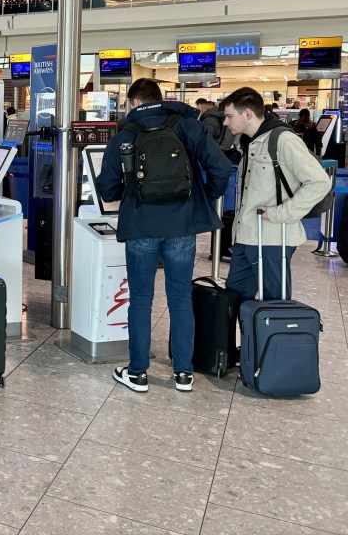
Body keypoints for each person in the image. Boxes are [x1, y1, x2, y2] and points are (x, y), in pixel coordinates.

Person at [96, 79, 232, 394]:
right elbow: (221, 168)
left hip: (142, 224)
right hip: (182, 224)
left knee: (141, 300)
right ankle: (183, 374)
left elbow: (107, 187)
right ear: (161, 98)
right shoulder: (187, 125)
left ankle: (138, 373)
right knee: (180, 298)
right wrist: (203, 196)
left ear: (134, 103)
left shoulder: (125, 134)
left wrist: (127, 190)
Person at [222, 88, 330, 301]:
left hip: (273, 236)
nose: (225, 122)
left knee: (275, 300)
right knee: (234, 296)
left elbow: (320, 182)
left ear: (247, 114)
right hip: (247, 236)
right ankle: (247, 336)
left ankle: (271, 336)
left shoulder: (284, 140)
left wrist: (278, 213)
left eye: (229, 116)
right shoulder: (249, 144)